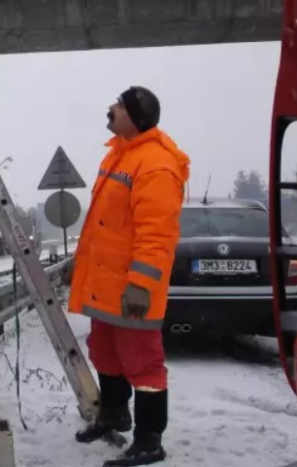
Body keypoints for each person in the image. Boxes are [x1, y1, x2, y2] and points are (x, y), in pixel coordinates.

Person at [69, 87, 190, 466]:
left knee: (143, 364)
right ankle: (114, 414)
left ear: (135, 116)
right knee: (104, 351)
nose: (110, 108)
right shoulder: (118, 155)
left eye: (118, 106)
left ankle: (150, 439)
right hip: (106, 285)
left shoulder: (155, 163)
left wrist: (141, 283)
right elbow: (104, 225)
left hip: (131, 288)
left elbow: (157, 232)